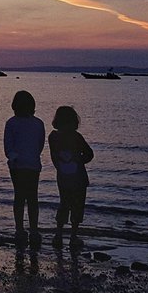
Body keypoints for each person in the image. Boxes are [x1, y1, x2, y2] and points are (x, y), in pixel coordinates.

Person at [4, 90, 46, 246]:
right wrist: (32, 156)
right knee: (33, 198)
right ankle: (33, 231)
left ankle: (20, 229)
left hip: (17, 165)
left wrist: (14, 158)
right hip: (33, 165)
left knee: (19, 197)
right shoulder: (38, 123)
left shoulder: (11, 123)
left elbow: (8, 147)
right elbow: (40, 144)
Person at [48, 105, 94, 249]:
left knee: (64, 204)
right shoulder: (76, 137)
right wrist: (79, 160)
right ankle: (73, 237)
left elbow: (54, 158)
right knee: (77, 206)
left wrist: (62, 166)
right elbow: (89, 154)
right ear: (74, 121)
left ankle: (58, 235)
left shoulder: (53, 137)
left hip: (63, 177)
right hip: (78, 178)